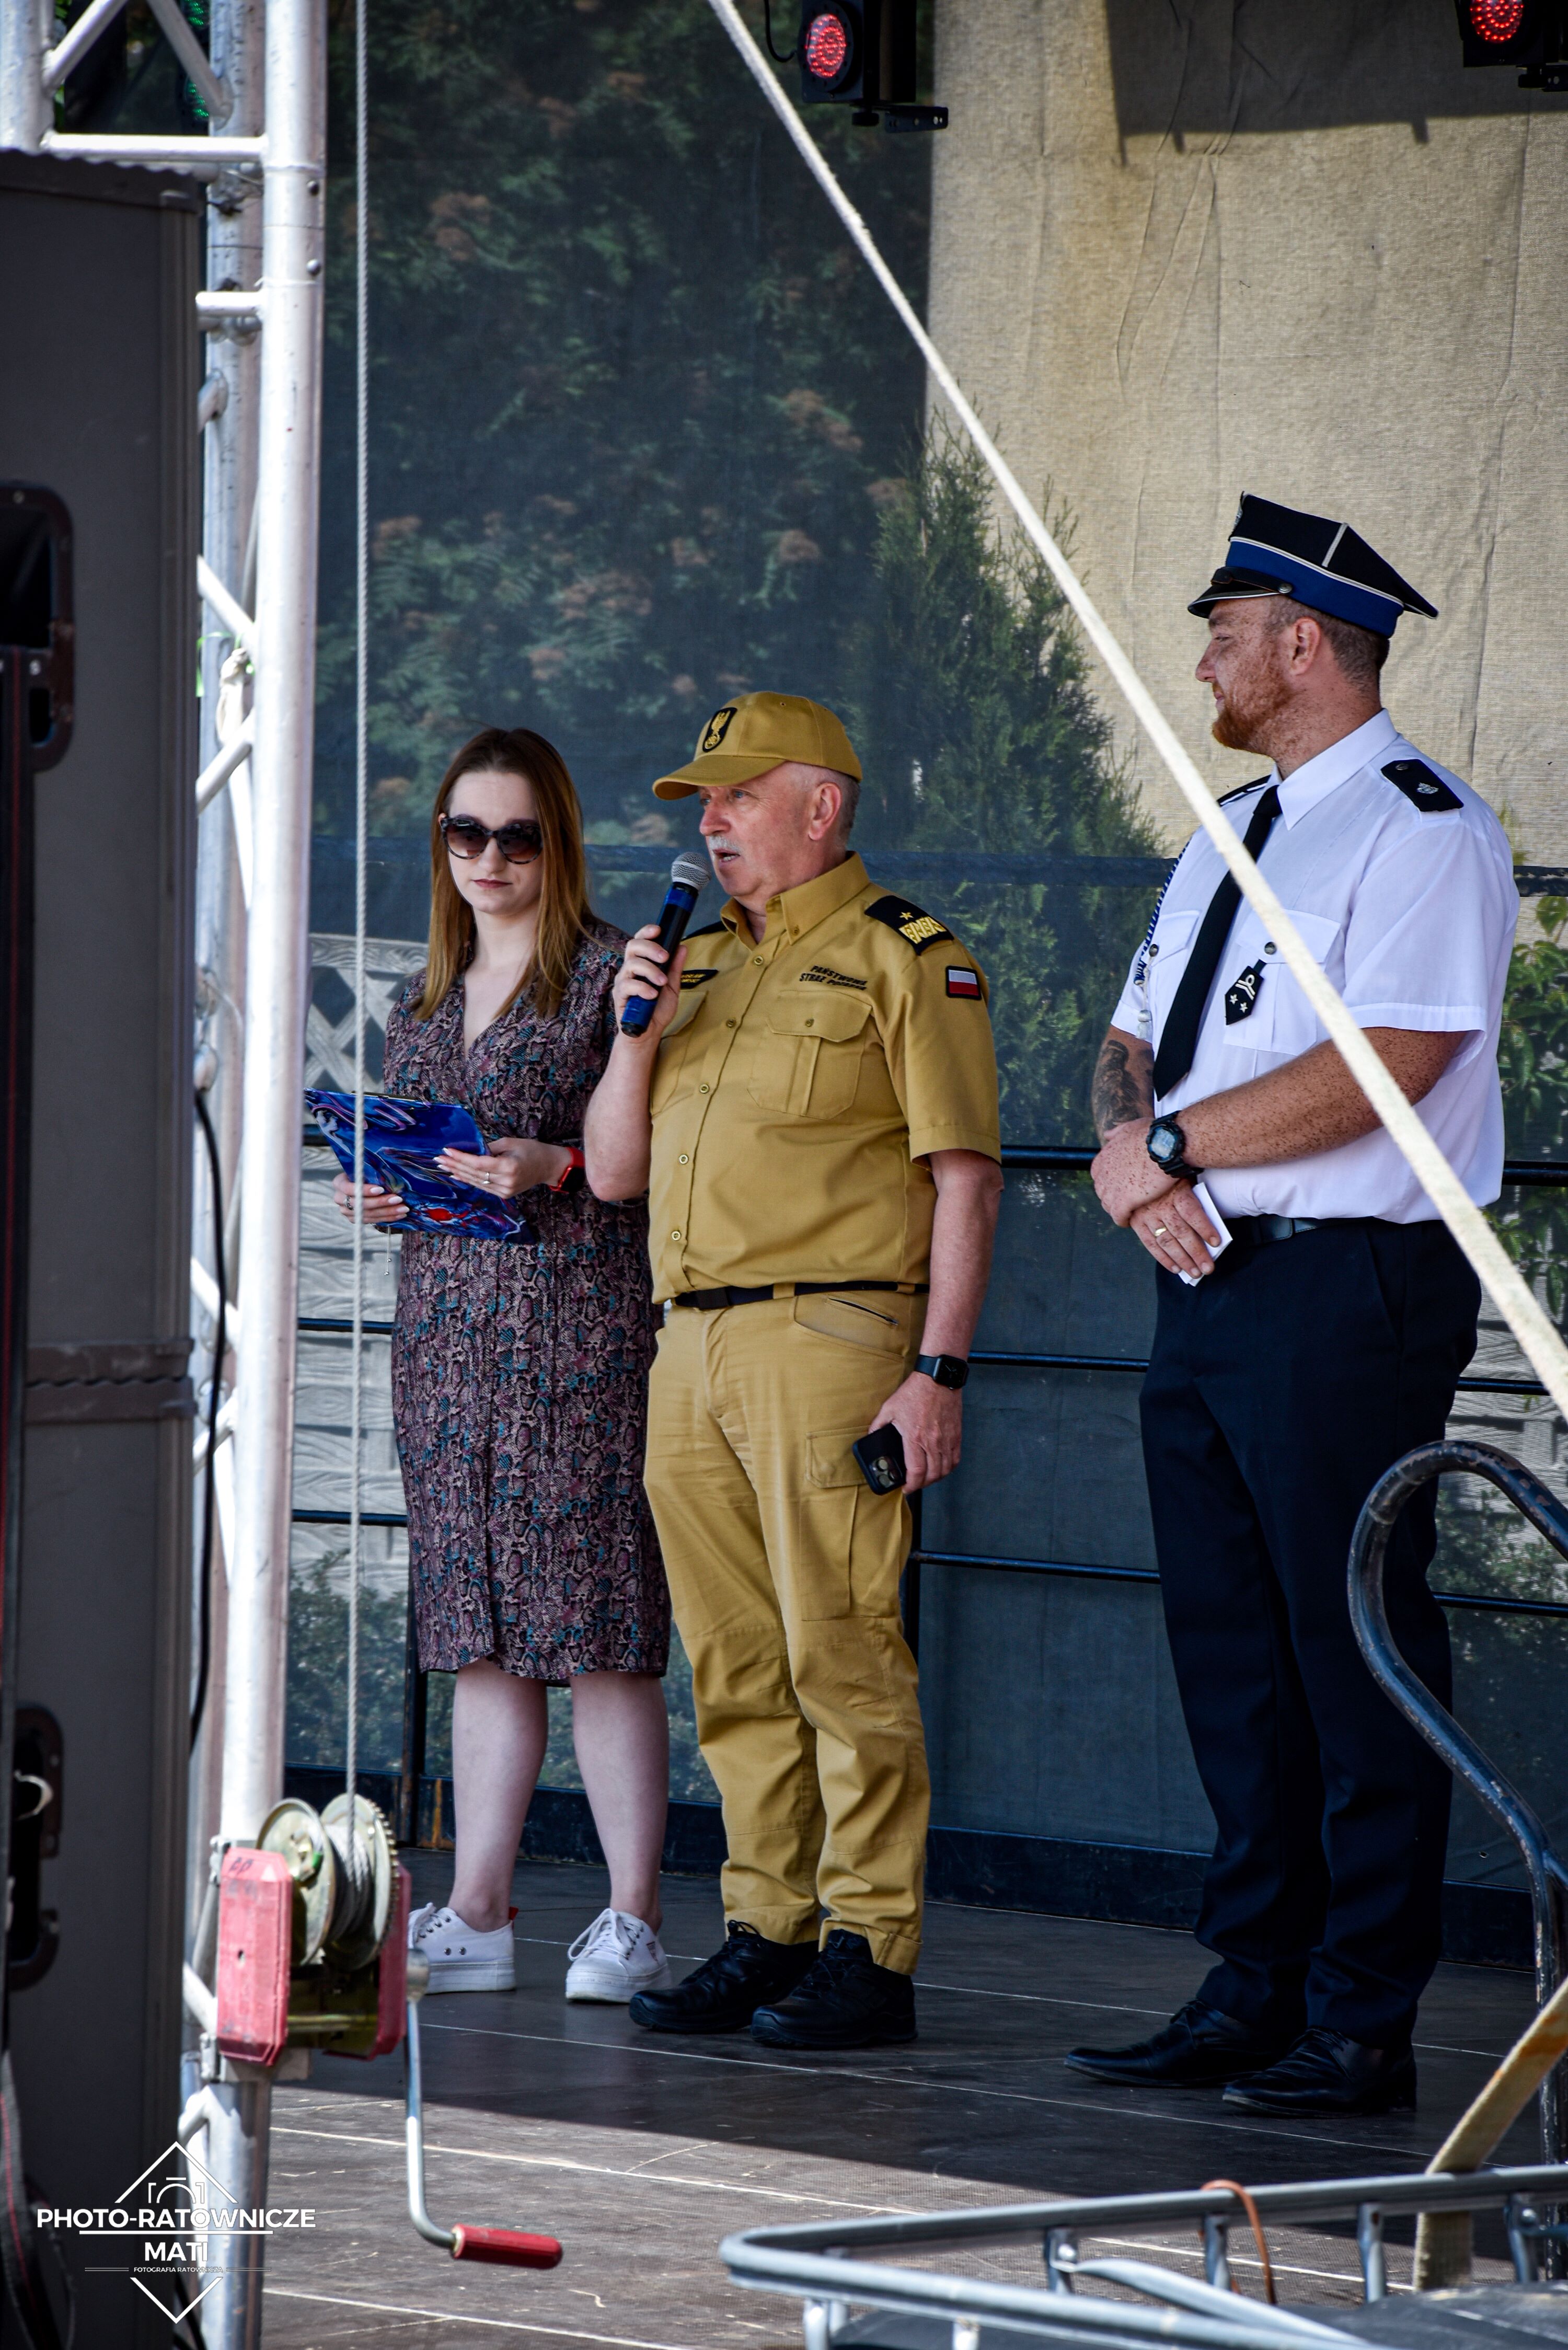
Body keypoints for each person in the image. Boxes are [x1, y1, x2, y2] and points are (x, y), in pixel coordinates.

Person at [1068, 496, 1518, 2115]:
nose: (1204, 664)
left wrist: (1174, 1145)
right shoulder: (1232, 829)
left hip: (1347, 1284)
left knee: (1353, 1645)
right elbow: (1134, 1036)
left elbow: (1398, 1056)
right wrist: (1135, 1160)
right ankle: (1254, 1982)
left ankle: (1361, 2015)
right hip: (1208, 1275)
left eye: (1223, 634)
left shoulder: (1421, 826)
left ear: (1303, 642)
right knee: (1234, 1651)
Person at [583, 691, 1002, 2050]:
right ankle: (769, 1927)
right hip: (687, 1338)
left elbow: (967, 1182)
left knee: (841, 1648)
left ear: (821, 806)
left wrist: (936, 1372)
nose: (711, 821)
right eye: (703, 801)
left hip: (829, 1337)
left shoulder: (906, 957)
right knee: (734, 1660)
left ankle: (870, 1947)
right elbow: (614, 1173)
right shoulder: (692, 967)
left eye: (739, 795)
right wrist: (634, 1030)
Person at [336, 725, 674, 2005]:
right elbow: (423, 1156)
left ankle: (633, 1915)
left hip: (576, 1331)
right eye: (464, 833)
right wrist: (387, 1190)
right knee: (478, 1629)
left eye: (515, 835)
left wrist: (557, 1161)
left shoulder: (606, 977)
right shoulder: (423, 995)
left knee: (599, 1626)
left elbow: (644, 1158)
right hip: (446, 1341)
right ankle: (477, 1909)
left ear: (557, 842)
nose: (488, 857)